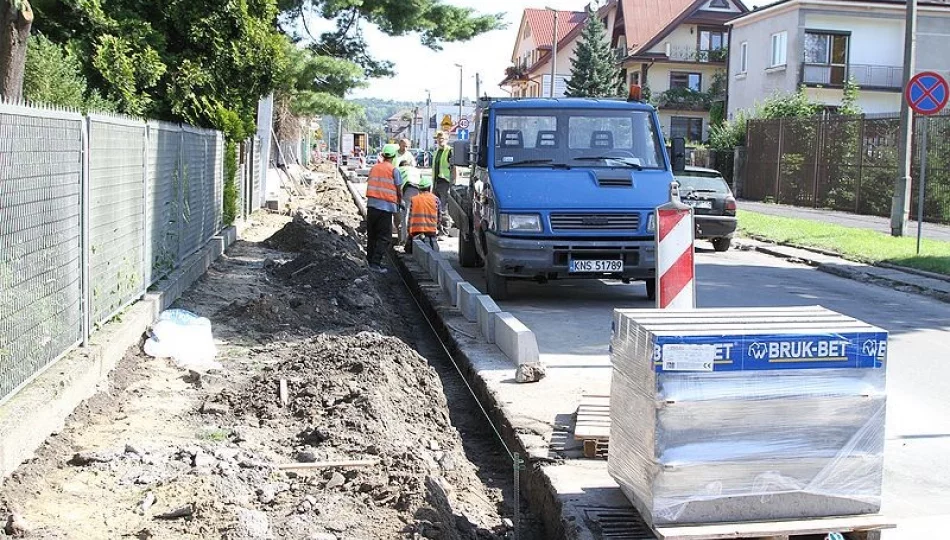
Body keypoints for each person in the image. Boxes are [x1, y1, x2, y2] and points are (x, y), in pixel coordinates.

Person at [365, 143, 403, 273]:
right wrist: (399, 201)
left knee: (372, 235)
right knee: (384, 236)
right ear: (393, 156)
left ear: (383, 155)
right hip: (385, 207)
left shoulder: (374, 168)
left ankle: (369, 261)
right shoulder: (394, 170)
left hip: (371, 205)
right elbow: (398, 189)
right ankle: (375, 263)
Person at [405, 179, 441, 254]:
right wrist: (436, 226)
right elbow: (439, 216)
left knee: (408, 249)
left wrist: (409, 230)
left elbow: (410, 217)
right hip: (431, 230)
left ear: (419, 189)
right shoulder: (435, 199)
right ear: (430, 188)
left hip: (416, 230)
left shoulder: (414, 199)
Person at [431, 131, 455, 236]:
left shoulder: (449, 151)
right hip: (436, 182)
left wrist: (452, 184)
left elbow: (454, 168)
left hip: (445, 182)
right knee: (436, 207)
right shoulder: (437, 152)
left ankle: (444, 231)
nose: (440, 140)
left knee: (443, 207)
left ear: (447, 139)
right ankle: (438, 228)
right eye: (438, 138)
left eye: (443, 138)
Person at [398, 158, 424, 245]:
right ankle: (417, 238)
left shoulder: (399, 169)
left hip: (408, 189)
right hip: (418, 190)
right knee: (416, 215)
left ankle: (404, 240)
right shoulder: (415, 170)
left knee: (405, 215)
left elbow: (397, 185)